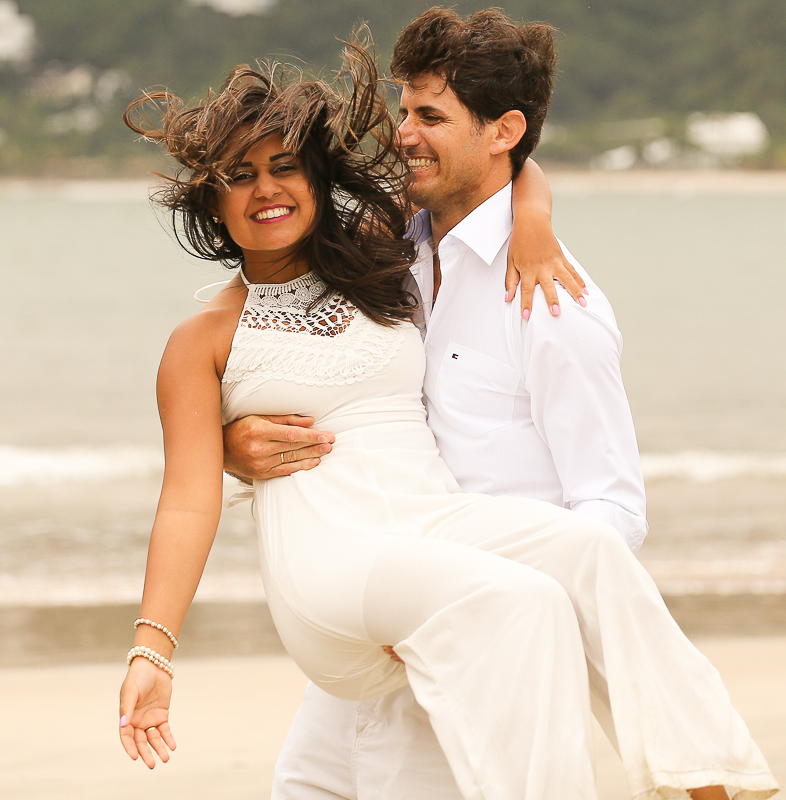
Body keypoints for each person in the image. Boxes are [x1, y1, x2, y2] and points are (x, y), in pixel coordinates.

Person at [115, 28, 777, 800]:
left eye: (285, 167)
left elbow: (502, 178)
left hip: (428, 527)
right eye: (239, 176)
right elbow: (186, 501)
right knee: (521, 602)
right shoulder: (205, 339)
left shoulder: (378, 257)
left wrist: (532, 215)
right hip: (333, 561)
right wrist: (151, 652)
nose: (266, 189)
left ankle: (712, 784)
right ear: (212, 197)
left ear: (317, 179)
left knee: (590, 555)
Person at [212, 9, 648, 799]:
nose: (404, 133)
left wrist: (518, 619)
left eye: (430, 116)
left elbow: (609, 513)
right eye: (405, 109)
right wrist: (232, 445)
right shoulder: (381, 253)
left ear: (502, 130)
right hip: (372, 614)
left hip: (476, 640)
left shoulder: (555, 303)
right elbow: (311, 372)